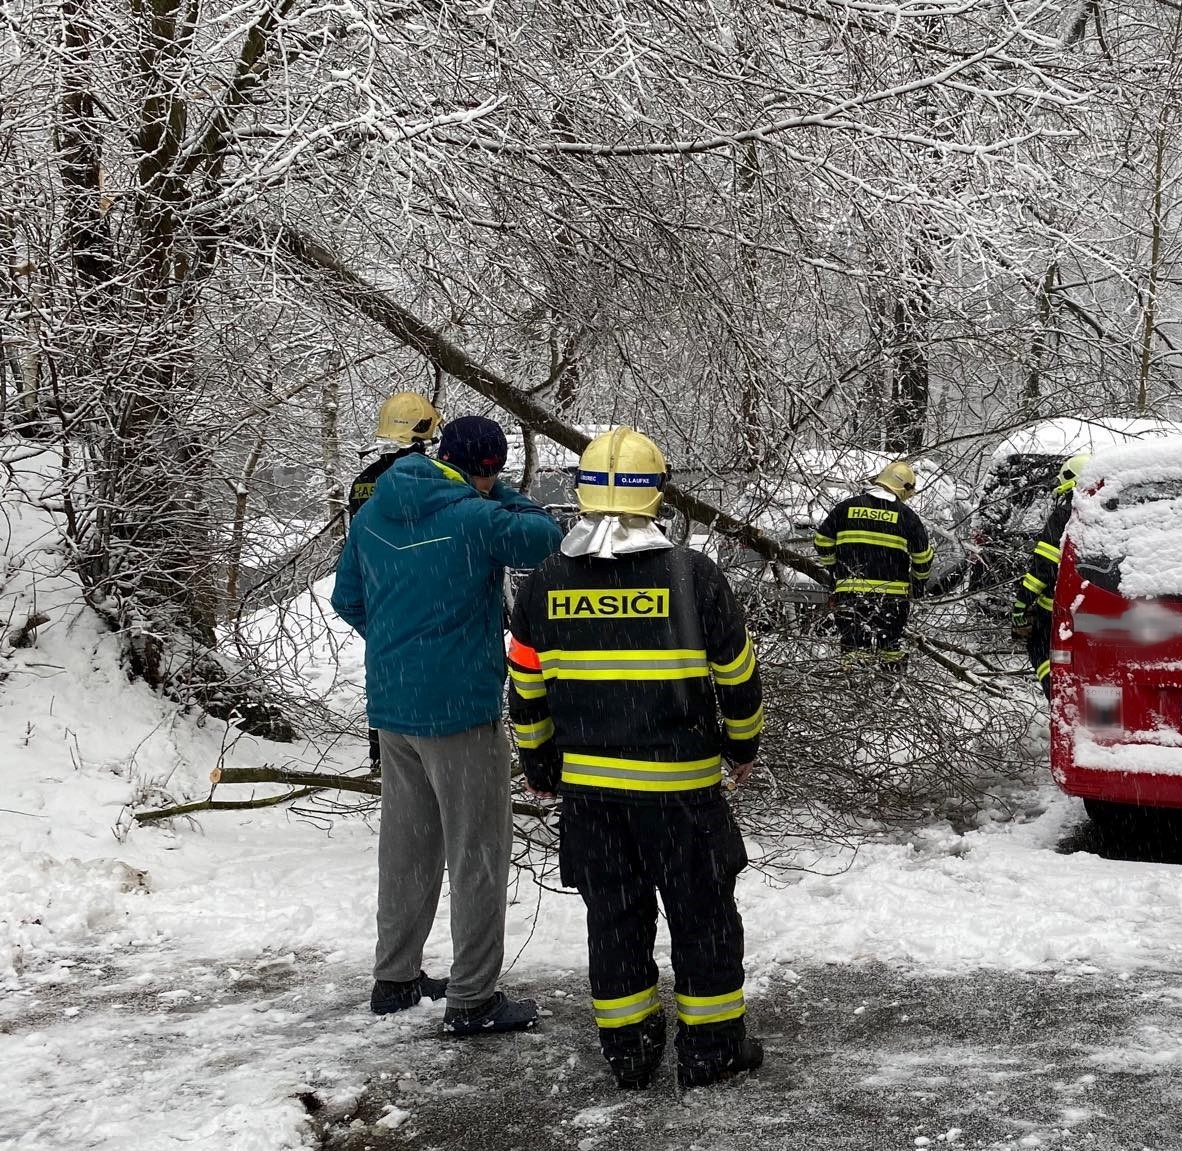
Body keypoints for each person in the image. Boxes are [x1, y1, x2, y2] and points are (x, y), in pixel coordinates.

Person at [507, 426, 764, 1090]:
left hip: (592, 798)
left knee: (614, 921)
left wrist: (540, 768)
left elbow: (526, 693)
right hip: (680, 792)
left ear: (584, 493)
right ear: (657, 493)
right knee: (703, 916)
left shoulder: (543, 584)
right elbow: (737, 677)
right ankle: (709, 1050)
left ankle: (630, 1051)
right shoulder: (692, 575)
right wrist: (742, 747)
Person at [331, 414, 563, 1032]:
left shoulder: (376, 511)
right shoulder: (473, 516)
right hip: (459, 708)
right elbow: (545, 536)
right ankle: (474, 999)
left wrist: (399, 646)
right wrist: (498, 492)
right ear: (488, 468)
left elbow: (346, 599)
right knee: (477, 851)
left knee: (406, 847)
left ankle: (396, 977)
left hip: (393, 706)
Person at [346, 392, 443, 773]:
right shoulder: (436, 480)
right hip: (426, 593)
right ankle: (427, 756)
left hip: (379, 595)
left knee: (384, 675)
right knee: (430, 674)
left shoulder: (364, 482)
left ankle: (384, 757)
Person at [813, 460, 933, 675]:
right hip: (892, 598)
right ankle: (891, 688)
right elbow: (923, 559)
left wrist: (835, 571)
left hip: (850, 593)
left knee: (855, 647)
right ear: (903, 488)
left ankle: (857, 694)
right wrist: (918, 583)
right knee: (890, 646)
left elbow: (822, 542)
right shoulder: (907, 517)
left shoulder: (846, 508)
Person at [1011, 453, 1089, 700]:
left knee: (1041, 650)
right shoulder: (1107, 513)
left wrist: (1021, 605)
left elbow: (1043, 568)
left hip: (1056, 611)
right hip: (1096, 609)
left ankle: (1058, 697)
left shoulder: (1065, 515)